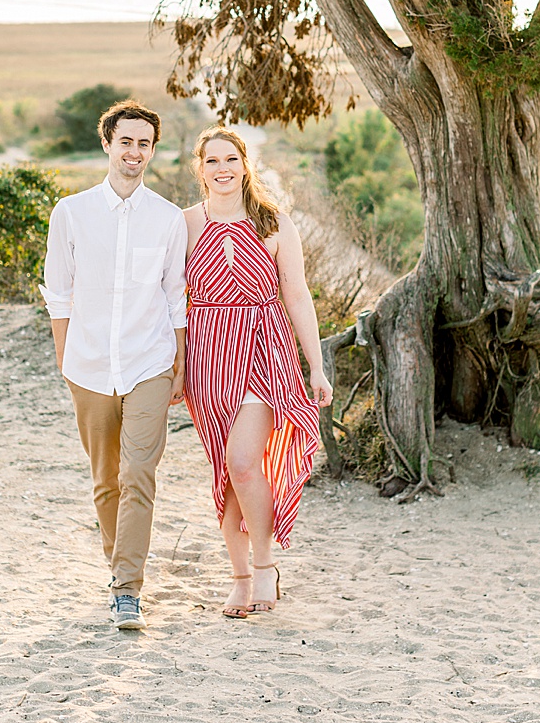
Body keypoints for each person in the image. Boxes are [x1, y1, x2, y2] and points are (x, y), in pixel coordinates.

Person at [41, 99, 187, 631]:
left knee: (138, 474)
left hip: (151, 363)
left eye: (144, 144)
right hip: (89, 367)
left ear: (152, 150)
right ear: (107, 144)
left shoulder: (168, 219)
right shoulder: (71, 213)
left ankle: (128, 589)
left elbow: (175, 296)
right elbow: (58, 294)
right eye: (126, 142)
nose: (134, 152)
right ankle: (116, 564)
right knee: (106, 480)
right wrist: (67, 360)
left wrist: (180, 362)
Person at [180, 126, 331, 619]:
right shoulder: (185, 224)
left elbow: (297, 295)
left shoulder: (274, 223)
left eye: (231, 159)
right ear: (200, 168)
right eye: (212, 161)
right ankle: (240, 577)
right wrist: (176, 367)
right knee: (227, 473)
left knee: (244, 462)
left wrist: (317, 366)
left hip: (265, 351)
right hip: (208, 359)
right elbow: (169, 301)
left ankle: (264, 567)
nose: (222, 169)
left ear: (245, 164)